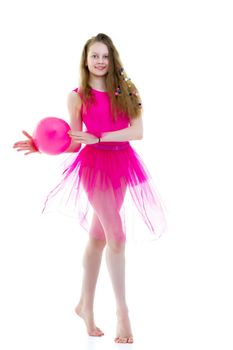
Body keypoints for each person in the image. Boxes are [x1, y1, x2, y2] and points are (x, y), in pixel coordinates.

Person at [13, 33, 167, 344]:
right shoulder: (78, 96)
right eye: (94, 56)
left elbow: (137, 132)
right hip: (94, 168)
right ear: (85, 59)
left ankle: (84, 304)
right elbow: (74, 140)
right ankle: (123, 313)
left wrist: (101, 137)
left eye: (105, 56)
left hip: (122, 163)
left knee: (99, 237)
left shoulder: (128, 90)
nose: (99, 61)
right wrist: (43, 145)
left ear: (113, 60)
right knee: (118, 236)